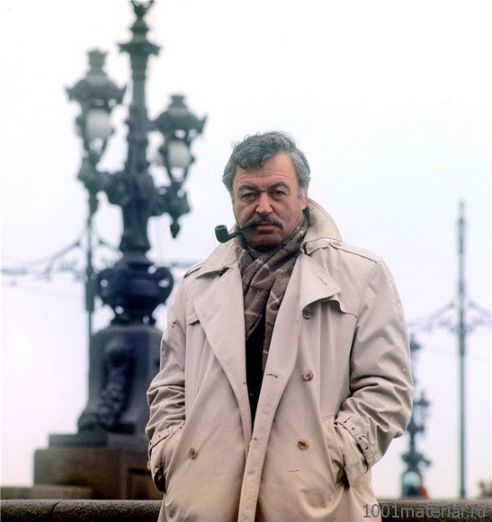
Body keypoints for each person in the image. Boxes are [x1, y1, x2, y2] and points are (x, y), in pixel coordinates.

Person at [146, 131, 413, 521]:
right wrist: (171, 455)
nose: (263, 207)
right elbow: (169, 389)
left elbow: (387, 389)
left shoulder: (362, 275)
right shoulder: (196, 285)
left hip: (313, 503)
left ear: (303, 196)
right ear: (233, 200)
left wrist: (331, 456)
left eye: (277, 192)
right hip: (205, 503)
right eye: (249, 194)